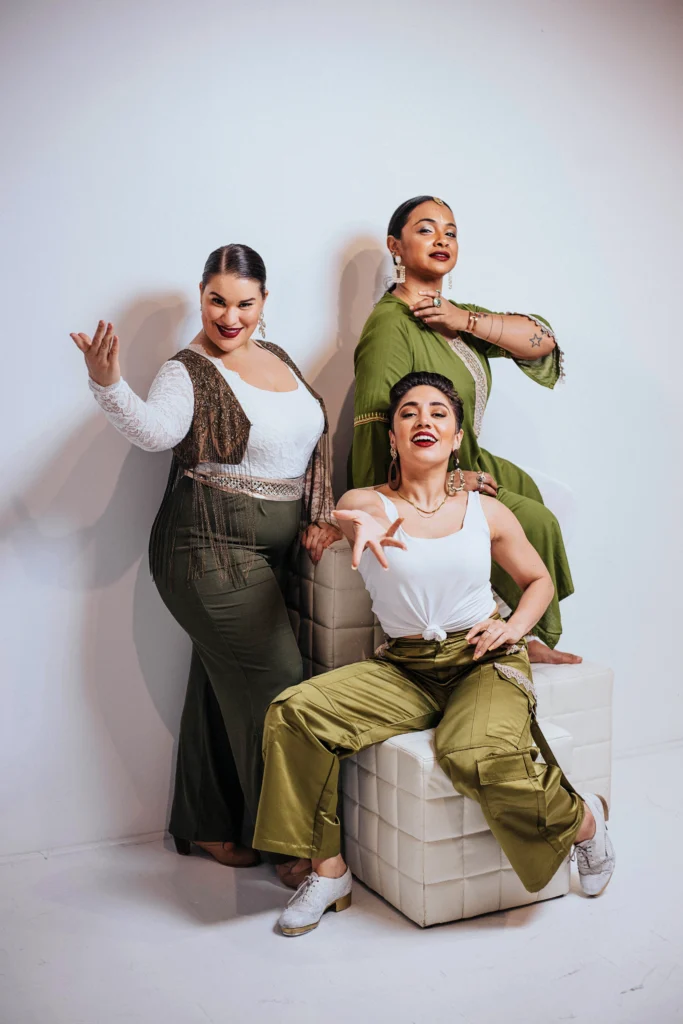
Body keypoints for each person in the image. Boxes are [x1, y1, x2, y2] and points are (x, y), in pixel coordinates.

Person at [253, 372, 614, 936]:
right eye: (409, 413)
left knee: (475, 754)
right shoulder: (366, 502)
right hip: (405, 666)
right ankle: (328, 871)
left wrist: (513, 628)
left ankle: (584, 821)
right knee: (294, 711)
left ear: (455, 436)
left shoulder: (485, 512)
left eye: (438, 413)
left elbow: (537, 580)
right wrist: (361, 524)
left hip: (481, 658)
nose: (424, 420)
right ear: (393, 438)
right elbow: (352, 517)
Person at [71, 244, 340, 884]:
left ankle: (213, 824)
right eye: (217, 300)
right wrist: (108, 385)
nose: (229, 316)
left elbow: (313, 441)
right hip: (205, 548)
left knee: (223, 683)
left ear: (264, 302)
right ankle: (294, 845)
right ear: (201, 295)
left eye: (244, 303)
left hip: (271, 553)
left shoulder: (277, 358)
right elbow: (157, 431)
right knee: (276, 679)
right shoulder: (185, 370)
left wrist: (321, 513)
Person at [351, 195, 579, 663]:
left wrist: (464, 319)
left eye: (451, 232)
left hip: (475, 459)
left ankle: (518, 632)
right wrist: (403, 493)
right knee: (536, 520)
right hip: (432, 476)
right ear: (396, 246)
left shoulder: (453, 315)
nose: (441, 240)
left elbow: (542, 341)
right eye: (426, 229)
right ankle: (512, 637)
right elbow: (375, 424)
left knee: (543, 510)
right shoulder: (391, 325)